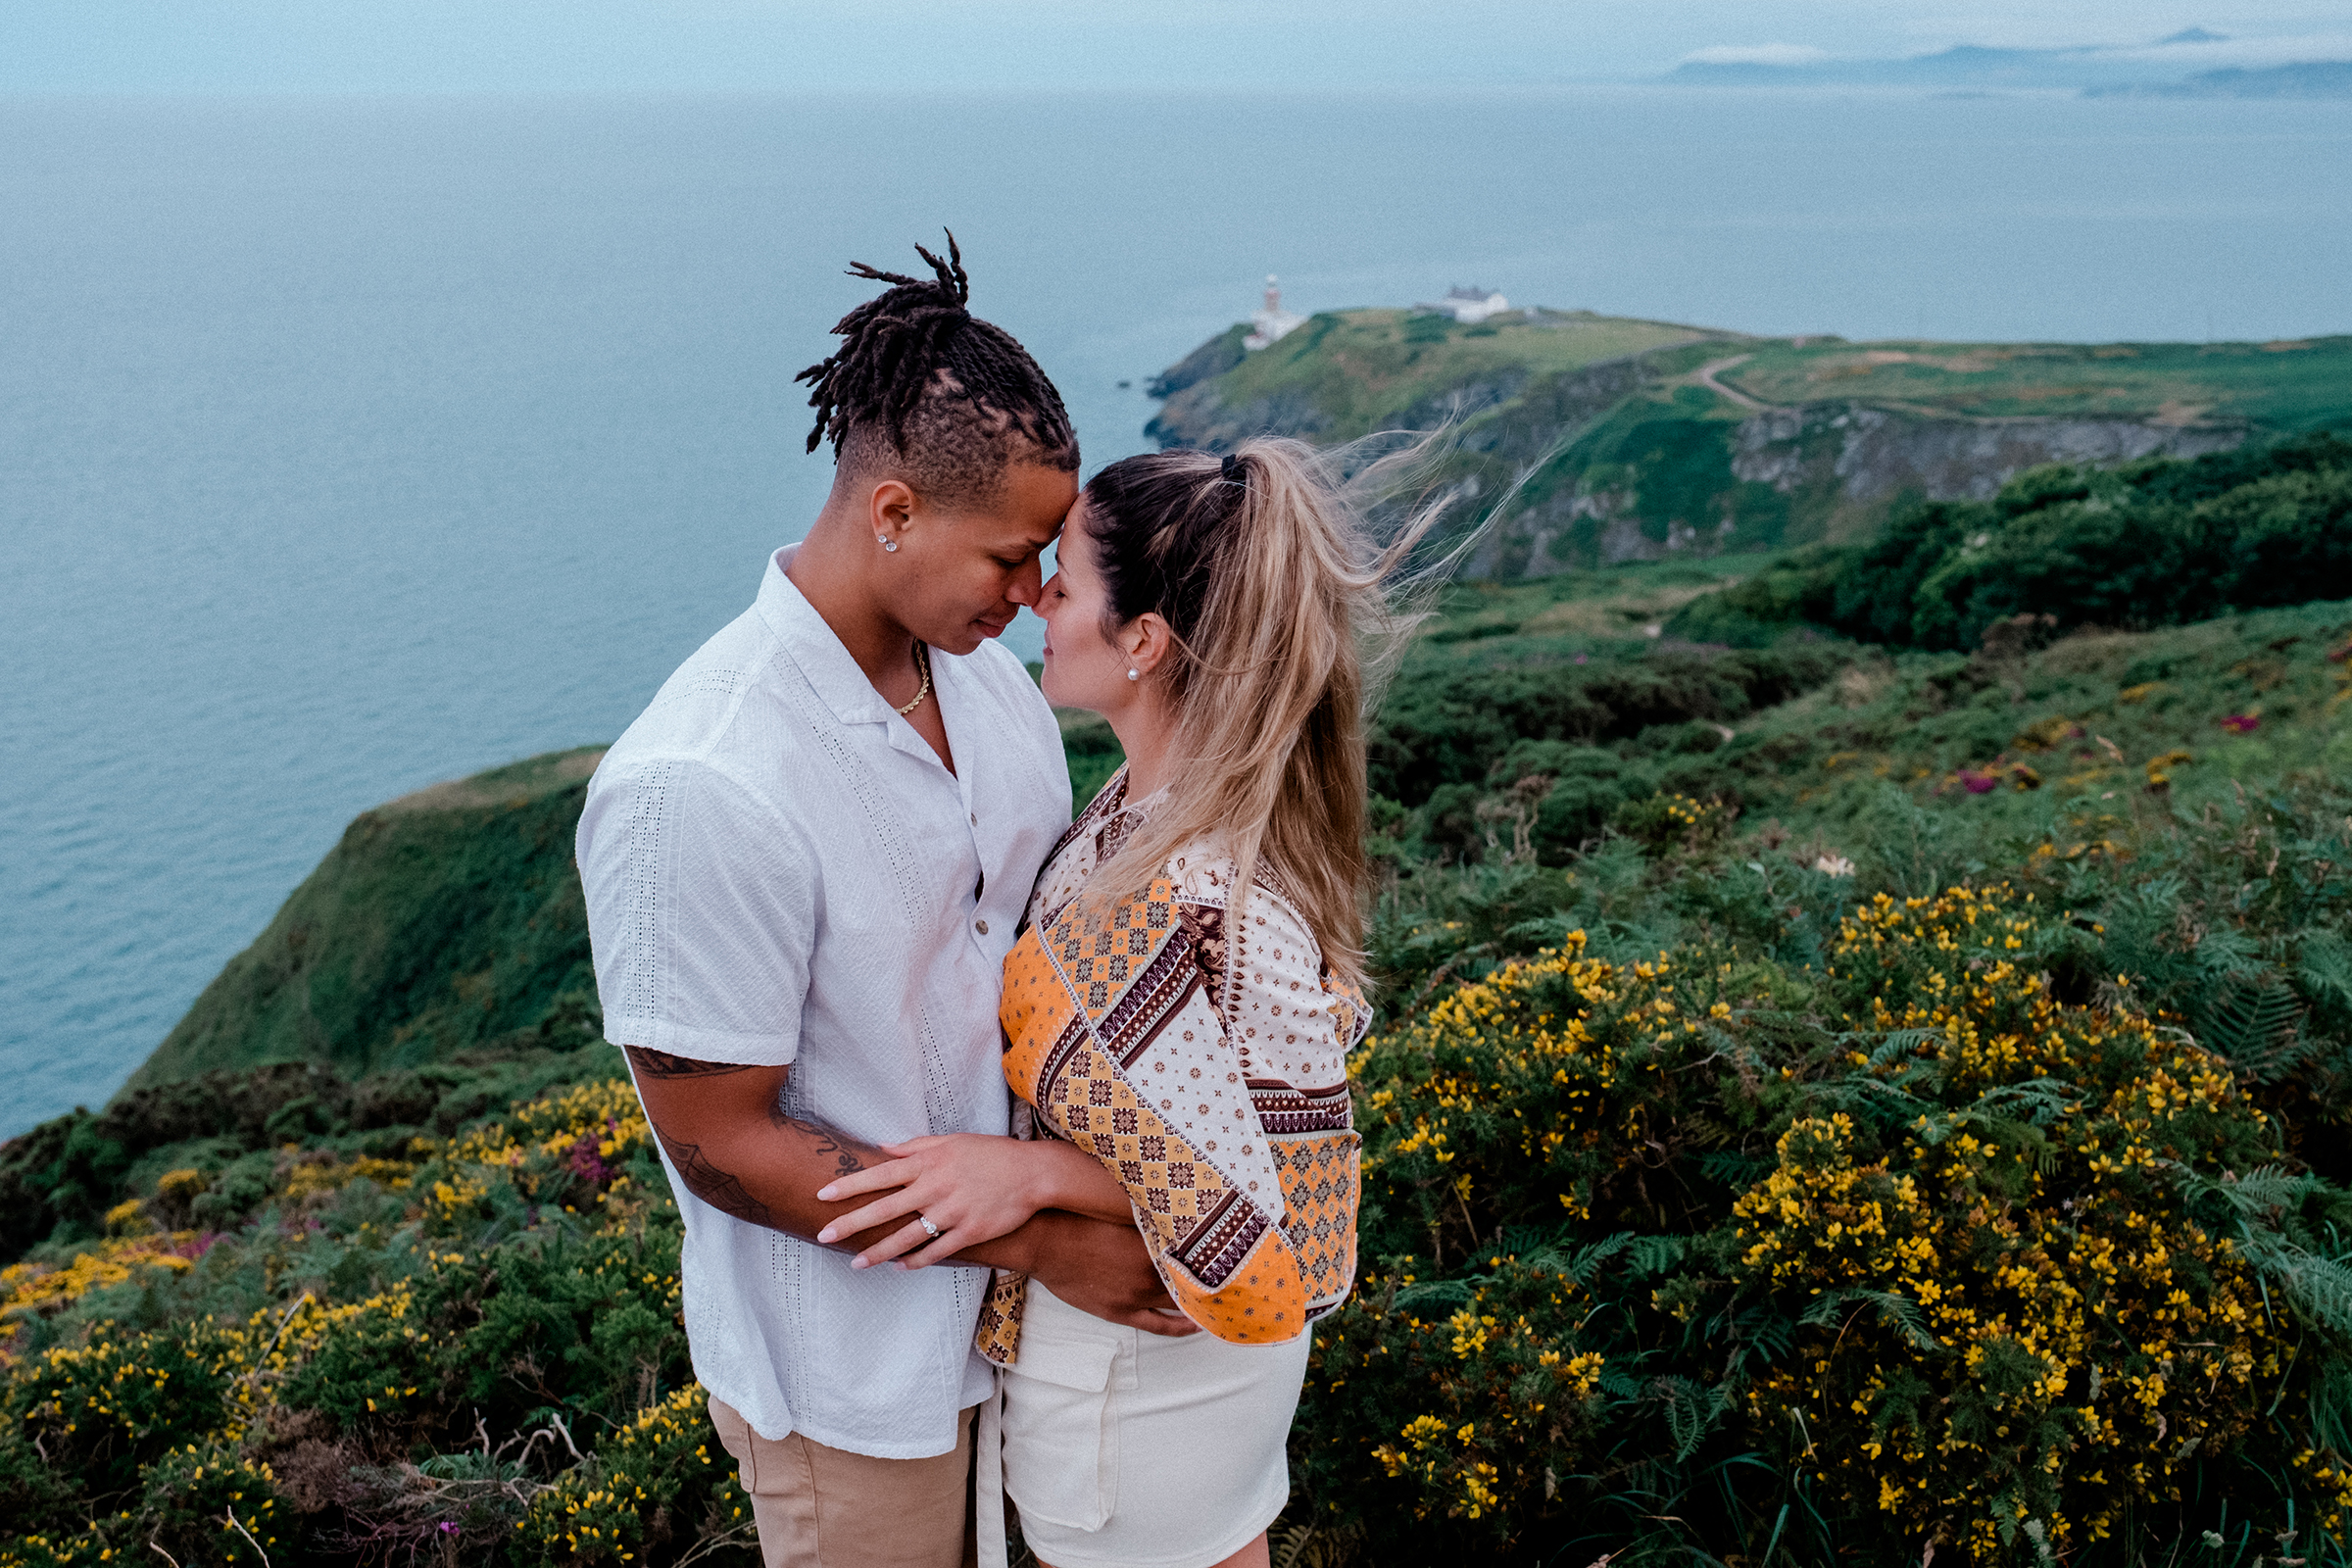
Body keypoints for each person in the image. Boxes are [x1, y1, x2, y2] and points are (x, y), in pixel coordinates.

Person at [574, 235, 1194, 1568]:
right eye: (1014, 558)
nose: (1039, 598)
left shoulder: (987, 690)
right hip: (850, 1382)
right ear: (894, 512)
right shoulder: (701, 783)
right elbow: (721, 1146)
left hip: (1030, 1340)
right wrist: (1043, 1244)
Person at [817, 436, 1439, 1568]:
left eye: (1067, 581)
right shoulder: (1158, 812)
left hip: (1141, 1384)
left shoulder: (1197, 892)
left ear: (1144, 639)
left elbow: (1288, 1223)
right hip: (1157, 1377)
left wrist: (1035, 1175)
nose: (1034, 599)